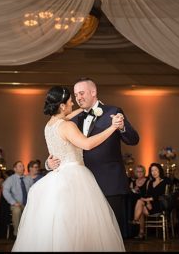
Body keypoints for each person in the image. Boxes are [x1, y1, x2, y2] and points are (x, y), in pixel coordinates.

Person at [12, 86, 125, 251]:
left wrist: (85, 107)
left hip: (57, 177)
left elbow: (67, 117)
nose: (73, 102)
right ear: (62, 106)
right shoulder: (67, 126)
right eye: (70, 101)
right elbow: (87, 144)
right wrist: (113, 127)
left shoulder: (49, 125)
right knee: (80, 227)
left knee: (59, 227)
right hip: (75, 177)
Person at [46, 77, 140, 238]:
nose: (78, 98)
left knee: (111, 234)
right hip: (80, 186)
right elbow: (59, 145)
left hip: (109, 183)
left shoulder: (113, 112)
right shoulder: (71, 118)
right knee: (85, 235)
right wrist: (49, 164)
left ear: (93, 92)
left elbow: (133, 139)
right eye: (75, 95)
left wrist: (122, 126)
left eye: (81, 93)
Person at [131, 163, 168, 239]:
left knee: (140, 202)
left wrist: (146, 200)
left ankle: (135, 221)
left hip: (159, 205)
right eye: (152, 171)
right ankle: (140, 230)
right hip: (150, 205)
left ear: (159, 171)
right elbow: (148, 194)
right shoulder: (151, 182)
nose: (154, 172)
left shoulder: (164, 182)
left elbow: (159, 196)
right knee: (140, 204)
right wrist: (147, 202)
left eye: (155, 170)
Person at [2, 161, 33, 237]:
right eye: (20, 166)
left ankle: (31, 233)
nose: (23, 168)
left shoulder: (28, 178)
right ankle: (17, 233)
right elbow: (5, 191)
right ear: (15, 169)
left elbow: (33, 190)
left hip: (28, 204)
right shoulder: (10, 179)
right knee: (17, 210)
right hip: (16, 204)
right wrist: (13, 202)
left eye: (23, 166)